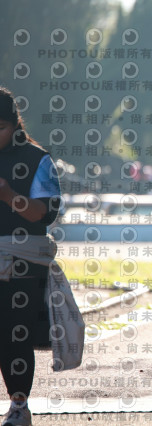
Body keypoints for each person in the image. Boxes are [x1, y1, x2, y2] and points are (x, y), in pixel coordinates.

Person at [0, 87, 61, 426]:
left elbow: (44, 214)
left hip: (22, 261)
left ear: (15, 125)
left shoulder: (37, 159)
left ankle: (19, 406)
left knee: (14, 334)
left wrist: (9, 195)